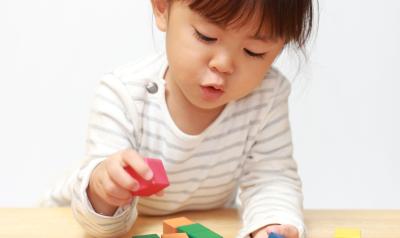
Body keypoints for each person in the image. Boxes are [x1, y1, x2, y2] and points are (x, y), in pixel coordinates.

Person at [42, 0, 316, 237]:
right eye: (206, 36)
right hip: (73, 221)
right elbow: (99, 224)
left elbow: (271, 179)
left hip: (196, 223)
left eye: (254, 51)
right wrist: (105, 191)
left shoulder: (265, 96)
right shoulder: (124, 94)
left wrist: (273, 224)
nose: (223, 64)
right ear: (162, 8)